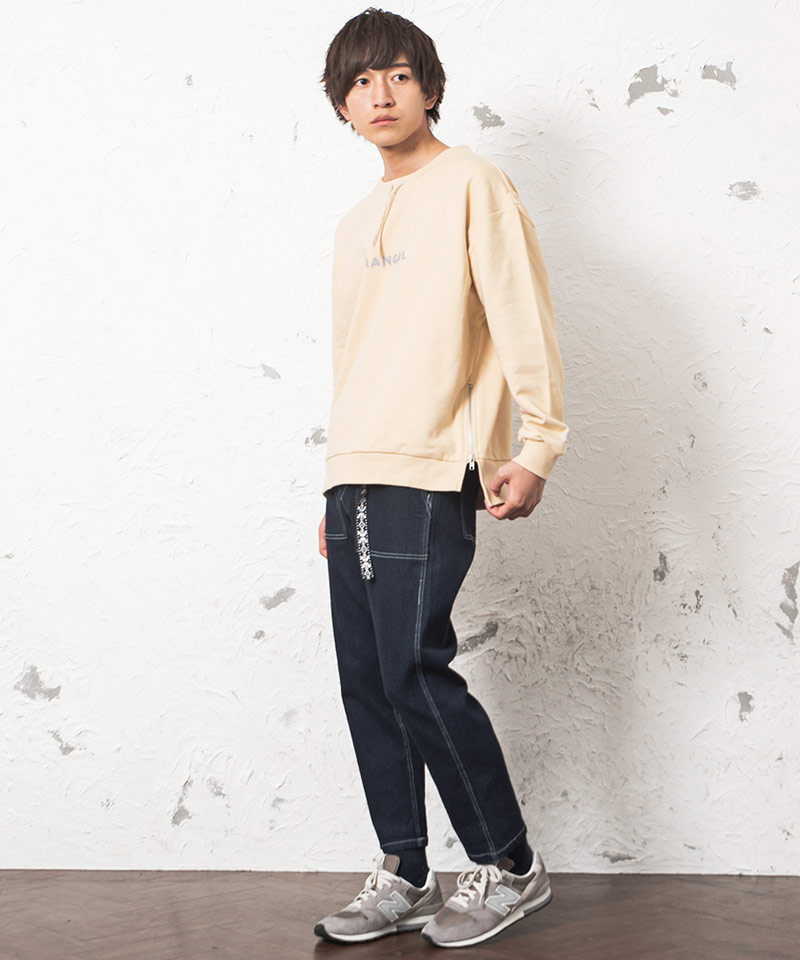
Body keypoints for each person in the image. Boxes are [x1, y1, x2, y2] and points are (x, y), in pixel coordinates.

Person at [313, 6, 569, 949]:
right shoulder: (353, 223)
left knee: (414, 668)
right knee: (368, 680)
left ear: (429, 87)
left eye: (397, 74)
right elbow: (357, 357)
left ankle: (510, 864)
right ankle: (405, 869)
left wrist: (536, 445)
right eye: (360, 81)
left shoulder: (473, 184)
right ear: (341, 105)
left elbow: (521, 317)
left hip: (430, 464)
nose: (380, 94)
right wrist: (339, 472)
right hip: (358, 468)